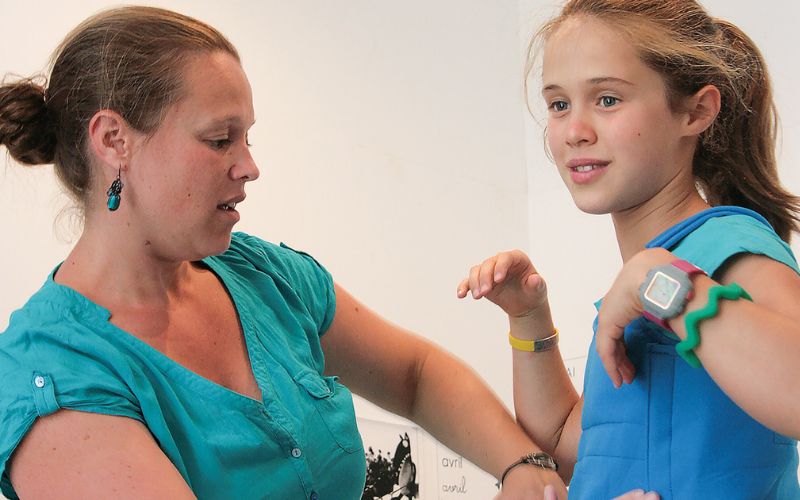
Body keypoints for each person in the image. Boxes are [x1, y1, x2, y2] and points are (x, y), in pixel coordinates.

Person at [0, 6, 567, 499]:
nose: (249, 166)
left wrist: (523, 466)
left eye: (248, 138)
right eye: (220, 139)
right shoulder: (52, 376)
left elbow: (416, 377)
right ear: (113, 141)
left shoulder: (261, 275)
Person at [458, 0, 800, 498]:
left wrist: (661, 285)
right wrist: (529, 319)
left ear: (696, 111)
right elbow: (565, 441)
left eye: (608, 99)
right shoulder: (639, 284)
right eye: (559, 105)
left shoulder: (728, 246)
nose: (575, 131)